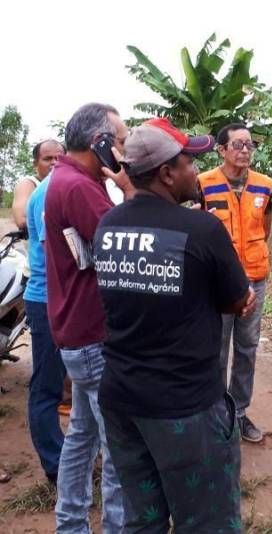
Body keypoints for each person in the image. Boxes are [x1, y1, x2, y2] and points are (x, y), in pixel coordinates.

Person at [95, 118, 254, 532]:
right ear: (166, 174)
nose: (195, 172)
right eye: (188, 163)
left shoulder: (108, 226)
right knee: (206, 522)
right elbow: (239, 300)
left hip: (121, 401)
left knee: (142, 520)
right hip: (184, 408)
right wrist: (238, 300)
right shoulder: (202, 229)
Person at [45, 102, 132, 532]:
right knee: (117, 445)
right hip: (93, 335)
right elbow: (124, 244)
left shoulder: (67, 177)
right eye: (120, 142)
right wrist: (131, 190)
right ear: (99, 144)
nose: (125, 151)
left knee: (81, 436)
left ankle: (71, 523)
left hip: (76, 332)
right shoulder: (79, 187)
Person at [198, 123, 272, 444]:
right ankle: (216, 413)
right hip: (216, 283)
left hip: (254, 279)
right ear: (221, 149)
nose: (245, 150)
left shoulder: (265, 185)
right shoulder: (203, 184)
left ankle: (239, 413)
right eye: (238, 145)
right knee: (215, 349)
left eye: (249, 145)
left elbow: (267, 226)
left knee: (247, 349)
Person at [22, 143, 67, 485]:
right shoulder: (51, 192)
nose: (54, 163)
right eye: (48, 158)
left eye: (58, 156)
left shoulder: (61, 187)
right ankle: (55, 466)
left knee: (61, 383)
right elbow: (56, 256)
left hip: (57, 299)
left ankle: (67, 457)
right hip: (50, 300)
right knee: (47, 386)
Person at [12, 139, 64, 231]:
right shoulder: (29, 184)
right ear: (35, 163)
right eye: (48, 159)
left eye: (59, 158)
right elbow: (22, 221)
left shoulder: (65, 184)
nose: (54, 162)